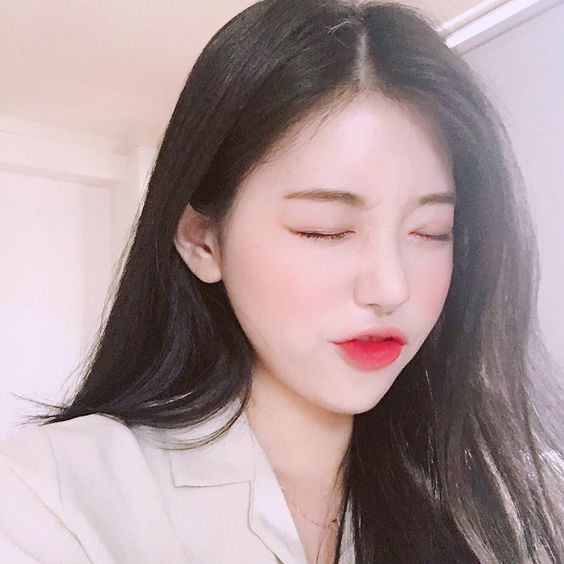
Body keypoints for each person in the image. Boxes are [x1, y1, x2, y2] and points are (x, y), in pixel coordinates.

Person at [1, 0, 562, 562]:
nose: (391, 288)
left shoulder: (516, 501)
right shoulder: (53, 495)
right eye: (325, 229)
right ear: (203, 241)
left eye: (431, 231)